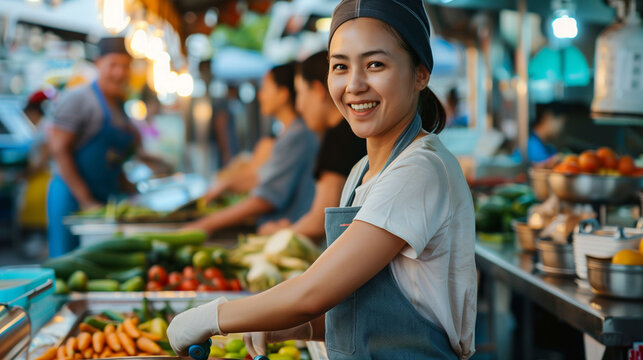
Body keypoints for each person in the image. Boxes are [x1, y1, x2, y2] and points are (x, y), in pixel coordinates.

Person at [167, 1, 477, 359]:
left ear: (420, 73)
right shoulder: (361, 173)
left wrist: (213, 316)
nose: (355, 85)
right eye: (340, 67)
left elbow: (312, 293)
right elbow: (368, 313)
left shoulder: (420, 170)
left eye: (375, 64)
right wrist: (299, 326)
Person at [185, 62, 319, 234]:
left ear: (283, 94)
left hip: (284, 236)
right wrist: (225, 185)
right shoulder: (289, 135)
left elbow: (266, 198)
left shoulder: (297, 136)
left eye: (265, 88)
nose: (260, 95)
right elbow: (259, 178)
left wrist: (204, 225)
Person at [258, 51, 367, 243]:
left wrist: (279, 233)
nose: (299, 106)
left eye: (300, 93)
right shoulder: (346, 133)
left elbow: (320, 222)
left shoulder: (340, 137)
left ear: (318, 91)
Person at [47, 37, 138, 257]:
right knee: (68, 264)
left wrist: (130, 189)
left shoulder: (120, 105)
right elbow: (58, 150)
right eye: (113, 65)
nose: (119, 73)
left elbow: (114, 157)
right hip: (72, 198)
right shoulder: (79, 99)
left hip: (103, 201)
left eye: (125, 66)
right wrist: (85, 199)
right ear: (98, 63)